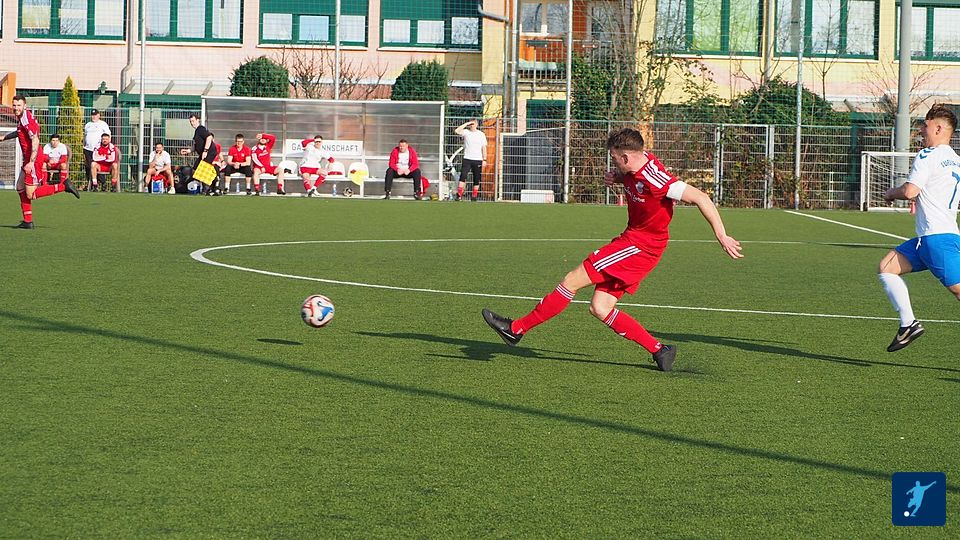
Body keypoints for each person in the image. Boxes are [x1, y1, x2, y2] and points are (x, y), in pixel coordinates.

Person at [481, 128, 743, 371]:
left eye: (615, 159)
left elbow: (701, 197)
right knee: (600, 307)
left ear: (626, 157)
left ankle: (516, 329)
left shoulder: (657, 179)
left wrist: (721, 235)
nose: (613, 163)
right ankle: (660, 351)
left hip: (639, 246)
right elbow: (633, 180)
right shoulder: (635, 167)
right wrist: (618, 178)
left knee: (572, 280)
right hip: (637, 243)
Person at [877, 105, 960, 352]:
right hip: (933, 238)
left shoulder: (928, 155)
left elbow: (910, 191)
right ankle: (908, 325)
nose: (922, 130)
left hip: (936, 240)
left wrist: (892, 193)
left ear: (938, 128)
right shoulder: (956, 161)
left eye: (925, 125)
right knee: (887, 267)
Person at [1, 95, 79, 229]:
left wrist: (31, 162)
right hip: (29, 158)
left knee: (31, 194)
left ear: (25, 106)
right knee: (20, 187)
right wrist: (4, 137)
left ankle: (63, 186)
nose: (16, 108)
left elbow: (35, 140)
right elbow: (20, 132)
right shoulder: (22, 118)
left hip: (34, 158)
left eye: (19, 105)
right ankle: (28, 221)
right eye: (14, 105)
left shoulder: (25, 118)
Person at [180, 113, 222, 194]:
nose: (192, 123)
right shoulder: (197, 131)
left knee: (203, 170)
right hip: (203, 153)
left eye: (193, 121)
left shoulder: (200, 129)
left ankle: (209, 188)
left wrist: (205, 151)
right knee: (195, 169)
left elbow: (209, 137)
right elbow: (197, 145)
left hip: (209, 152)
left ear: (197, 120)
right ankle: (214, 181)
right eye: (190, 121)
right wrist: (189, 151)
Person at [454, 119, 487, 201]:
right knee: (463, 176)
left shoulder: (481, 134)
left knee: (476, 177)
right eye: (471, 124)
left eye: (474, 124)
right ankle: (459, 194)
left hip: (477, 159)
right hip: (467, 158)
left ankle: (474, 195)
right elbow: (457, 131)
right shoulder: (466, 132)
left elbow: (484, 147)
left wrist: (484, 159)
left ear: (477, 124)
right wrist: (466, 123)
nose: (472, 125)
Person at [83, 109, 110, 190]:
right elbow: (85, 136)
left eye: (95, 115)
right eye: (92, 115)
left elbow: (108, 136)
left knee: (99, 166)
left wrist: (106, 146)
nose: (93, 117)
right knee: (88, 166)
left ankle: (103, 183)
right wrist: (84, 145)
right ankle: (91, 184)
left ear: (99, 115)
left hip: (98, 150)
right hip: (88, 149)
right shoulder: (88, 125)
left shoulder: (103, 124)